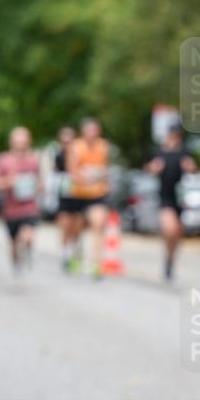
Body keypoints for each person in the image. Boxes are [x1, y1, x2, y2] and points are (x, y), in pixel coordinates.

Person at [145, 124, 197, 280]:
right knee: (170, 229)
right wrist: (154, 168)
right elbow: (148, 169)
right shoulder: (160, 151)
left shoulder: (184, 151)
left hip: (180, 197)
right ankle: (167, 257)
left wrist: (190, 167)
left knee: (177, 233)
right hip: (165, 196)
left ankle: (170, 260)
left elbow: (195, 170)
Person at [0, 127, 42, 275]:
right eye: (18, 141)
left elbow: (40, 182)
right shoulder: (4, 160)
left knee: (28, 235)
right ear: (12, 142)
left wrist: (38, 186)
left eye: (24, 141)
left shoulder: (34, 160)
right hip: (11, 209)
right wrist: (9, 182)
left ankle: (27, 250)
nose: (21, 145)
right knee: (13, 243)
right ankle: (16, 263)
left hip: (29, 207)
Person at [67, 118, 111, 279]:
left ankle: (95, 263)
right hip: (78, 193)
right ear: (83, 132)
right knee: (77, 229)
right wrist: (86, 177)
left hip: (97, 194)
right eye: (89, 131)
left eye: (95, 130)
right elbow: (72, 172)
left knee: (98, 224)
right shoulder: (76, 147)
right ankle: (75, 252)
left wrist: (104, 179)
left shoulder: (104, 146)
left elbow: (106, 168)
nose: (92, 134)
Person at [53, 126, 83, 271]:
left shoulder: (79, 153)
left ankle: (76, 249)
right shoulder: (58, 156)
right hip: (65, 194)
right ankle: (65, 253)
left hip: (78, 194)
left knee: (77, 225)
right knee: (65, 224)